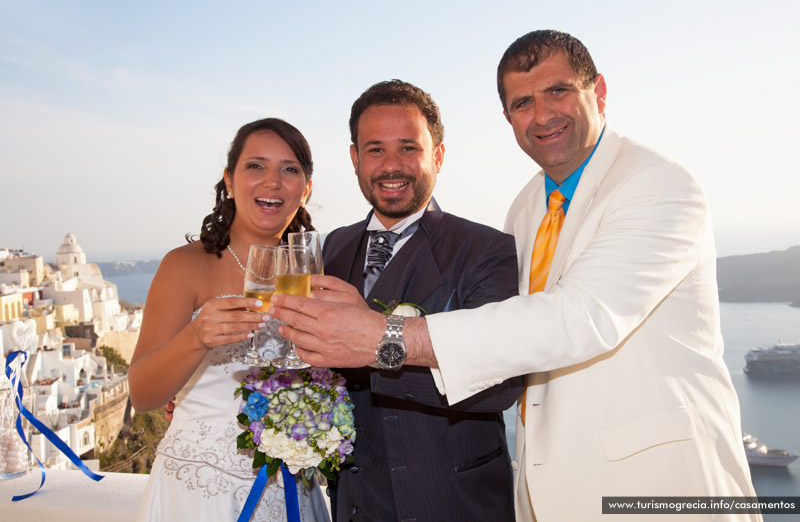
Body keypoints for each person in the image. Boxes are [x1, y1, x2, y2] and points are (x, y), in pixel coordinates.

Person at [270, 32, 760, 521]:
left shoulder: (656, 183)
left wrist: (383, 336)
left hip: (657, 490)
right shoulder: (527, 206)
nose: (542, 114)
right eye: (523, 102)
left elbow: (580, 316)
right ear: (508, 119)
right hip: (547, 492)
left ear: (600, 92)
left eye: (558, 91)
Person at [311, 80, 524, 521]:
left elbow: (500, 386)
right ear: (354, 159)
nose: (392, 166)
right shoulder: (333, 247)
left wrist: (371, 343)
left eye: (408, 148)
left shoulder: (486, 249)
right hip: (355, 502)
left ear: (438, 156)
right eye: (375, 150)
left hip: (451, 501)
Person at [129, 118, 329, 521]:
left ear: (305, 188)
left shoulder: (317, 275)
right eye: (256, 166)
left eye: (289, 169)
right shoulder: (184, 267)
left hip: (292, 490)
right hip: (198, 496)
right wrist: (196, 338)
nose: (272, 181)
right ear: (229, 180)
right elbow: (142, 394)